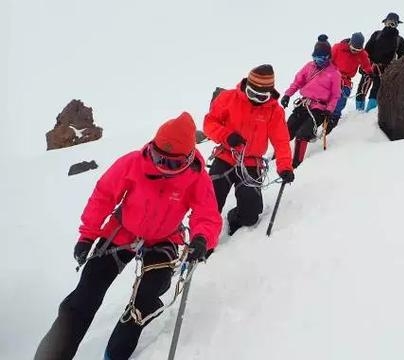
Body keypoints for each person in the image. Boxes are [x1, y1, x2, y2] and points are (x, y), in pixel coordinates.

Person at [34, 112, 222, 360]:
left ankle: (115, 355)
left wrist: (201, 239)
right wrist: (87, 236)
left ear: (187, 158)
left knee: (146, 298)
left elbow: (207, 215)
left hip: (165, 239)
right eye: (158, 157)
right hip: (122, 232)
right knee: (85, 295)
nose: (162, 166)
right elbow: (103, 196)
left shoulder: (197, 177)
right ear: (151, 147)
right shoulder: (133, 163)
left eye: (173, 164)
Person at [203, 64, 294, 236]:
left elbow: (281, 141)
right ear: (247, 86)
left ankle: (235, 217)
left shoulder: (274, 111)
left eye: (262, 97)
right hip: (225, 156)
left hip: (252, 163)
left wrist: (285, 166)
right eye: (252, 94)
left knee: (251, 215)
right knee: (210, 204)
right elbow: (209, 123)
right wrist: (226, 135)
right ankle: (204, 240)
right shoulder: (228, 98)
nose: (255, 99)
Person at [280, 34, 341, 168]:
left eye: (321, 58)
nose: (317, 61)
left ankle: (296, 165)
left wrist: (329, 110)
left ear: (328, 57)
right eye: (315, 57)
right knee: (287, 130)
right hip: (304, 104)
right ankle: (276, 159)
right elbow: (297, 82)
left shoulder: (334, 74)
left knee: (303, 134)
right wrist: (287, 95)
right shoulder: (309, 67)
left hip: (319, 109)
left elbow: (335, 95)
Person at [356, 12, 404, 112]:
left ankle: (369, 113)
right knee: (362, 89)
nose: (391, 25)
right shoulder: (376, 35)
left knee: (376, 91)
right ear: (385, 22)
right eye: (389, 22)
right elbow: (366, 52)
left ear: (397, 25)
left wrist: (395, 73)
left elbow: (401, 59)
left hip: (384, 70)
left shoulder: (399, 40)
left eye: (393, 23)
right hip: (370, 67)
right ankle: (358, 112)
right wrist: (363, 66)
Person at [328, 32, 373, 132]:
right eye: (353, 49)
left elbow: (366, 65)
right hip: (333, 77)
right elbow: (329, 61)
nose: (354, 52)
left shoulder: (362, 54)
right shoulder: (338, 48)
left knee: (341, 101)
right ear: (350, 44)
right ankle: (321, 117)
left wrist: (370, 72)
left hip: (346, 81)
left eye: (357, 50)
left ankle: (333, 121)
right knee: (326, 98)